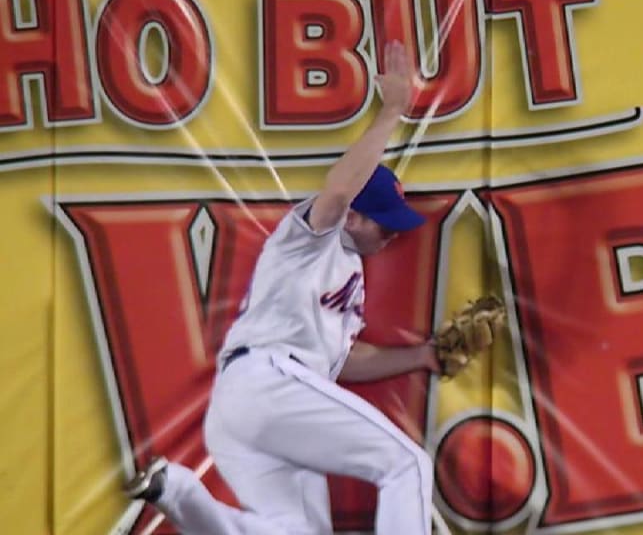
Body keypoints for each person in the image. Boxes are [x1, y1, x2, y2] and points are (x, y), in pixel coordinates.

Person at [124, 41, 441, 535]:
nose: (394, 233)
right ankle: (179, 490)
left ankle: (177, 491)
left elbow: (347, 362)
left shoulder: (346, 269)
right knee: (407, 466)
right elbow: (338, 190)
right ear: (353, 215)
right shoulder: (311, 238)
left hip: (245, 409)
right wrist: (394, 110)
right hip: (268, 383)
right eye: (385, 222)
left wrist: (421, 356)